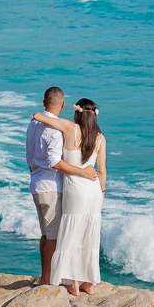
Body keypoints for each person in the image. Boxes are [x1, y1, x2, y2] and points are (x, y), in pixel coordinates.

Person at [30, 98, 107, 296]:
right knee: (89, 236)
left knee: (71, 234)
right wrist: (102, 193)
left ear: (77, 112)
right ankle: (88, 283)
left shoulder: (69, 128)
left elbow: (38, 116)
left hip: (76, 191)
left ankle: (72, 284)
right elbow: (102, 170)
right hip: (95, 191)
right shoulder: (100, 137)